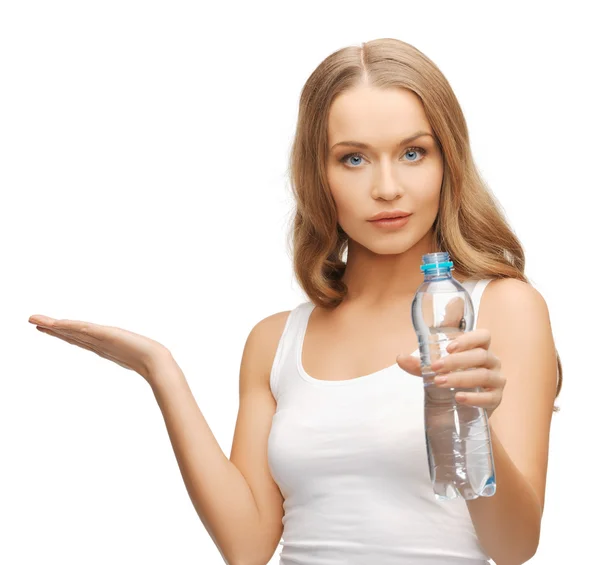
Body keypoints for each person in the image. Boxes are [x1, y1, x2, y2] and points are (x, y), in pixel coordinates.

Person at [28, 38, 562, 565]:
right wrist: (160, 371)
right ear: (318, 174)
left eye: (413, 153)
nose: (387, 187)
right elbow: (248, 546)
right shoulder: (275, 340)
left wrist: (474, 423)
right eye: (353, 158)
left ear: (448, 161)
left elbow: (514, 548)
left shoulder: (502, 308)